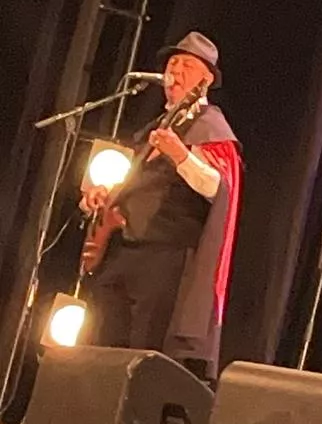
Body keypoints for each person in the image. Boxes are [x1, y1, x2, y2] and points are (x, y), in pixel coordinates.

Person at [79, 33, 242, 383]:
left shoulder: (211, 127)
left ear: (207, 79)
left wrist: (180, 154)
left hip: (165, 255)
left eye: (187, 65)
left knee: (142, 349)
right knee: (103, 338)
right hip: (125, 250)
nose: (175, 72)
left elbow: (217, 187)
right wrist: (101, 195)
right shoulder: (153, 128)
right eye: (172, 64)